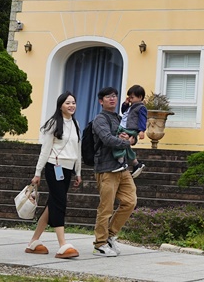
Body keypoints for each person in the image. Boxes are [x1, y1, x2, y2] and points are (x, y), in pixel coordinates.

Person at [26, 91, 82, 259]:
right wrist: (37, 173)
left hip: (68, 169)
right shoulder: (53, 123)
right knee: (59, 203)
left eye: (73, 102)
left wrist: (78, 172)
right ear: (60, 106)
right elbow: (45, 150)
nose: (71, 105)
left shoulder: (76, 124)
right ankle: (62, 244)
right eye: (67, 103)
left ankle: (33, 242)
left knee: (53, 204)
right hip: (54, 166)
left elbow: (77, 150)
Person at [91, 86, 138, 257]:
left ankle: (110, 236)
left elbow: (130, 136)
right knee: (106, 208)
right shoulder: (100, 119)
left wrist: (131, 138)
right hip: (106, 169)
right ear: (101, 101)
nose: (112, 99)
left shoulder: (120, 118)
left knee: (130, 201)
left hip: (122, 168)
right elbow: (107, 139)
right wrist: (126, 142)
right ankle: (99, 244)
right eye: (108, 97)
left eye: (115, 96)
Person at [114, 85, 147, 178]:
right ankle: (135, 163)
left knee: (120, 142)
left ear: (140, 97)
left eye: (132, 97)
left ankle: (121, 162)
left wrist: (141, 130)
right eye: (129, 97)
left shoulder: (141, 108)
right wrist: (125, 103)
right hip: (124, 127)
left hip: (130, 129)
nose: (130, 99)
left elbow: (142, 119)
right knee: (124, 144)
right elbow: (124, 112)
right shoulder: (131, 106)